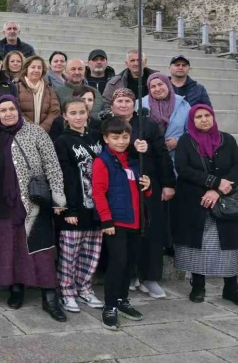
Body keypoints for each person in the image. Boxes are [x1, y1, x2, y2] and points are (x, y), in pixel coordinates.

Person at [0, 95, 67, 321]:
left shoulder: (36, 132)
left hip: (33, 201)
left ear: (18, 109)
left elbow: (52, 165)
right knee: (11, 247)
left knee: (40, 249)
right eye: (3, 110)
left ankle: (50, 296)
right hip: (4, 203)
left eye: (11, 109)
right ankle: (16, 288)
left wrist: (58, 199)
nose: (8, 114)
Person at [174, 104, 238, 309]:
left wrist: (217, 191)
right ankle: (198, 285)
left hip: (224, 200)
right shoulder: (186, 141)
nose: (204, 119)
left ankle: (231, 288)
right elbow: (182, 168)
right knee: (198, 244)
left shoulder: (227, 139)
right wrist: (213, 182)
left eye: (207, 115)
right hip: (195, 201)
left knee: (228, 245)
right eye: (198, 116)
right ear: (192, 121)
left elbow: (237, 167)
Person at [109, 88, 176, 300]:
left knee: (152, 231)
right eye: (119, 101)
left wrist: (168, 183)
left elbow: (162, 154)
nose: (123, 104)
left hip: (148, 184)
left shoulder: (148, 125)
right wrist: (131, 147)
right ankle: (130, 274)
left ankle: (150, 277)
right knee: (127, 233)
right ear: (112, 105)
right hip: (120, 187)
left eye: (127, 101)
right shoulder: (107, 125)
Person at [91, 116, 152, 330]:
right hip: (116, 222)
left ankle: (122, 299)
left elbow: (142, 191)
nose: (121, 141)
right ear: (106, 138)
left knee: (129, 264)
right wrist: (106, 219)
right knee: (117, 264)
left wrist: (148, 186)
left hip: (135, 221)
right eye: (115, 137)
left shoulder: (133, 161)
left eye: (125, 137)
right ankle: (110, 306)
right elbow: (98, 192)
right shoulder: (102, 161)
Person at [54, 98, 105, 313]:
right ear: (65, 116)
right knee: (70, 253)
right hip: (74, 207)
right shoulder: (62, 141)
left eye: (81, 112)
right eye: (73, 113)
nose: (78, 117)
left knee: (91, 253)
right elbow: (63, 176)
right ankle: (67, 291)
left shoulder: (97, 137)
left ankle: (84, 288)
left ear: (87, 113)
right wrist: (69, 208)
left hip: (97, 207)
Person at [140, 72, 191, 163]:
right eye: (153, 86)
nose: (157, 89)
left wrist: (178, 141)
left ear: (168, 84)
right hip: (148, 156)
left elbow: (191, 130)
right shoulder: (140, 104)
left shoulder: (183, 104)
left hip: (175, 156)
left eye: (160, 84)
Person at [16, 55, 60, 132]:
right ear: (26, 69)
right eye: (33, 67)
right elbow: (16, 110)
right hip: (22, 132)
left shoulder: (49, 89)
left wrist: (42, 129)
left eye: (39, 68)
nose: (36, 70)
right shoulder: (17, 88)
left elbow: (55, 111)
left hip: (44, 133)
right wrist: (32, 128)